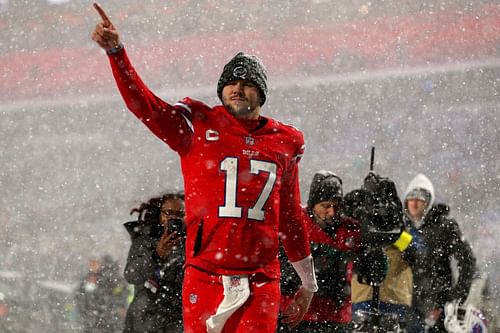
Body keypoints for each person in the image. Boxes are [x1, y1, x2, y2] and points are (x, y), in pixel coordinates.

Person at [91, 3, 318, 333]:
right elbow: (146, 107)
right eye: (231, 83)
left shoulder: (285, 141)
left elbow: (291, 218)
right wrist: (116, 53)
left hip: (260, 277)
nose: (238, 88)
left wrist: (308, 282)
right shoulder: (199, 127)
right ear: (222, 90)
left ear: (262, 94)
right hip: (205, 273)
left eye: (247, 83)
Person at [278, 171, 361, 333]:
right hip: (297, 316)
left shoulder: (350, 229)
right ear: (312, 204)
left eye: (336, 206)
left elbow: (372, 242)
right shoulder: (296, 224)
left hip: (336, 318)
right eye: (326, 206)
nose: (332, 212)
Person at [403, 173, 476, 333]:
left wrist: (456, 296)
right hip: (406, 305)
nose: (414, 204)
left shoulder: (445, 227)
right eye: (411, 199)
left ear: (428, 203)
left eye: (419, 200)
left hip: (438, 306)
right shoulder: (401, 228)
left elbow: (467, 260)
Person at [123, 193, 186, 333]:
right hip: (144, 322)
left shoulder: (193, 243)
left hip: (179, 322)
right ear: (159, 214)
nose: (173, 218)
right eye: (168, 213)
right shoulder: (144, 240)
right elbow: (130, 274)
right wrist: (156, 255)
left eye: (180, 214)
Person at [74, 255, 128, 333]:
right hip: (107, 321)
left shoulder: (96, 279)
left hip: (97, 321)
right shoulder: (115, 279)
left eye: (95, 263)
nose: (92, 266)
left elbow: (81, 297)